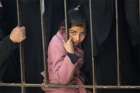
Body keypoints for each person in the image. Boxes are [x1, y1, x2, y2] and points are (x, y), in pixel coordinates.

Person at [41, 8, 90, 93]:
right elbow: (62, 79)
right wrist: (70, 55)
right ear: (65, 29)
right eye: (73, 32)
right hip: (59, 90)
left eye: (82, 34)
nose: (77, 38)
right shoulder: (57, 42)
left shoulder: (76, 44)